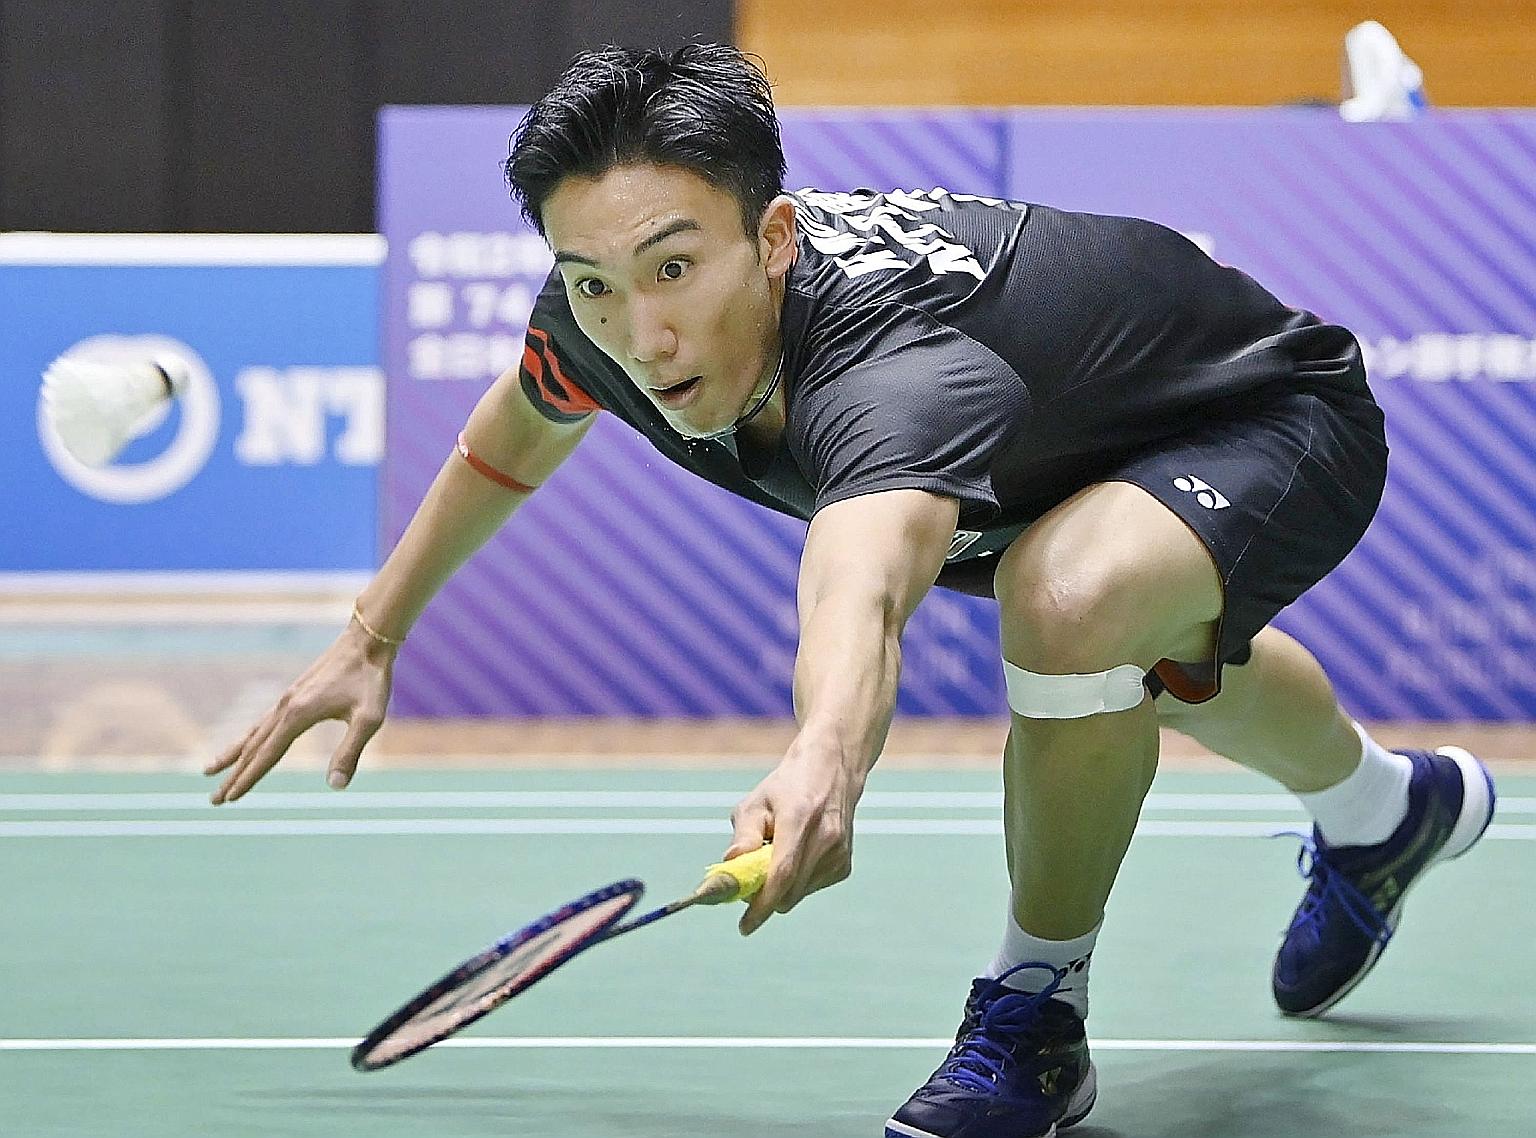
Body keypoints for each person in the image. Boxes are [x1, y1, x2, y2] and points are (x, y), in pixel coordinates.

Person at [206, 44, 1497, 1138]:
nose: (639, 332)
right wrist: (372, 633)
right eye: (594, 282)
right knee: (1135, 654)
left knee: (1065, 603)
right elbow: (524, 419)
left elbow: (862, 584)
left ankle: (1035, 1014)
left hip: (1273, 411)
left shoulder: (882, 370)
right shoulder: (600, 315)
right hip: (1068, 443)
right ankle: (1385, 812)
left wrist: (824, 756)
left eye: (672, 270)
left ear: (772, 238)